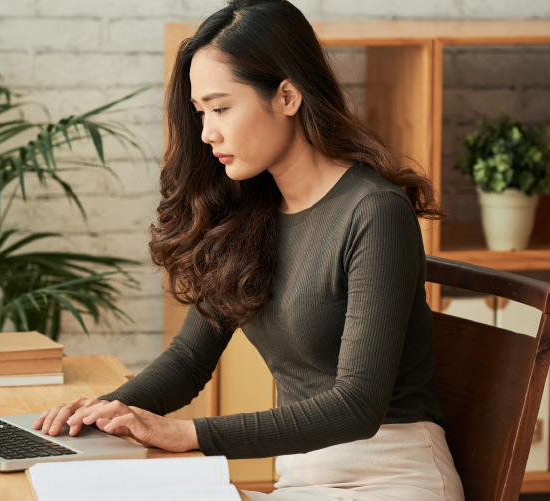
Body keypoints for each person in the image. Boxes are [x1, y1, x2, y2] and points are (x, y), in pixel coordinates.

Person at [32, 1, 465, 499]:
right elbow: (190, 359)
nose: (206, 133)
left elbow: (358, 405)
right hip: (302, 482)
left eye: (220, 108)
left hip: (391, 479)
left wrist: (191, 435)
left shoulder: (373, 212)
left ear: (286, 96)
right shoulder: (251, 212)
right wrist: (106, 412)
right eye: (200, 113)